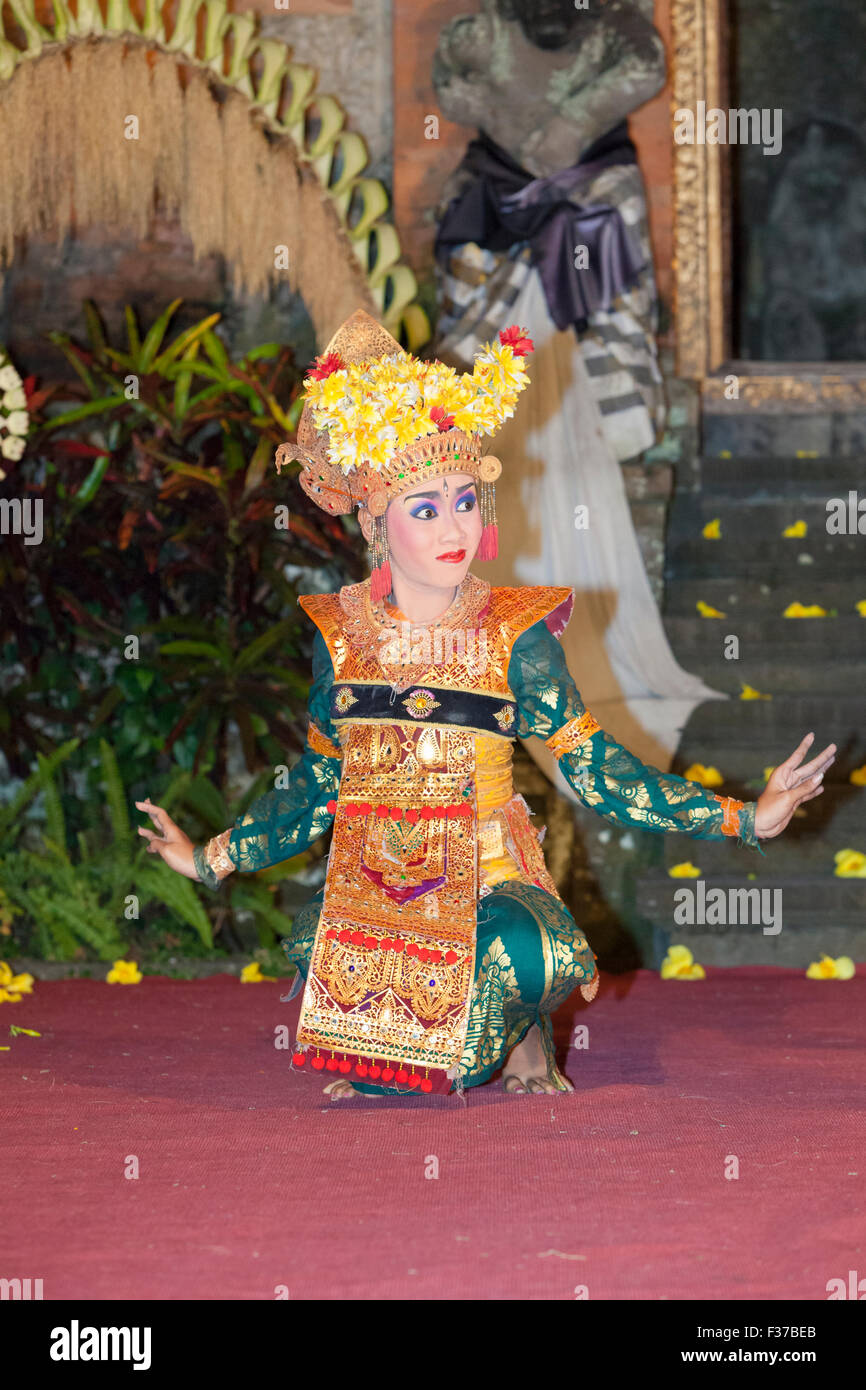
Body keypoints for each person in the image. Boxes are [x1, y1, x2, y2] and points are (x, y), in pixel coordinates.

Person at [136, 309, 836, 1100]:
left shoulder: (515, 636)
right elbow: (316, 784)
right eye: (426, 509)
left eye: (465, 501)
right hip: (382, 899)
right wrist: (209, 857)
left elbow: (597, 768)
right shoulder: (336, 635)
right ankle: (421, 1043)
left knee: (518, 973)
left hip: (491, 887)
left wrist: (747, 818)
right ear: (374, 519)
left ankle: (520, 1029)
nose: (454, 527)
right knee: (397, 1084)